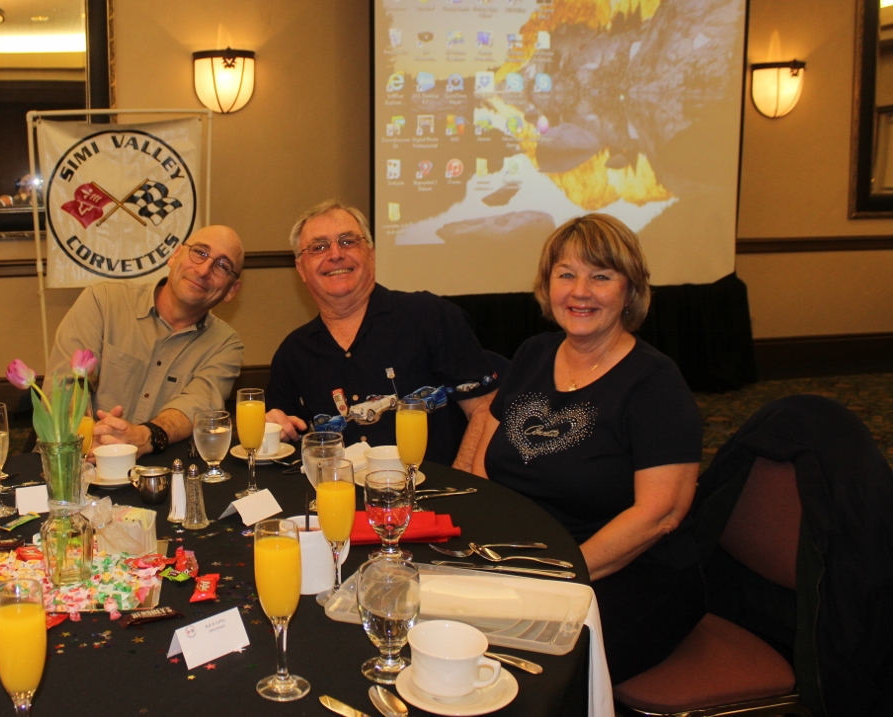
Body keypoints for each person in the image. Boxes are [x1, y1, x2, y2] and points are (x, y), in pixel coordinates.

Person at [469, 213, 703, 682]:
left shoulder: (655, 383)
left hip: (622, 573)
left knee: (523, 674)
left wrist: (559, 574)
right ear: (547, 284)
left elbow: (661, 513)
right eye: (566, 275)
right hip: (525, 559)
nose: (580, 291)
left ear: (629, 290)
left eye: (601, 276)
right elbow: (483, 461)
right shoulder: (535, 353)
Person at [266, 201, 497, 465]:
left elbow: (484, 409)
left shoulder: (431, 316)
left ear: (371, 254)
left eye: (348, 242)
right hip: (338, 500)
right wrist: (273, 430)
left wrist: (463, 490)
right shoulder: (293, 354)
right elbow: (283, 443)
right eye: (319, 247)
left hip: (436, 497)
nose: (335, 254)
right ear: (301, 269)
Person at [45, 225, 244, 456]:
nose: (203, 270)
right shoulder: (103, 301)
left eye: (222, 266)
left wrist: (144, 436)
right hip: (70, 464)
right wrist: (87, 438)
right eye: (199, 252)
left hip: (155, 476)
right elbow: (64, 387)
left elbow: (196, 406)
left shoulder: (225, 345)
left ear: (231, 291)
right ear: (175, 255)